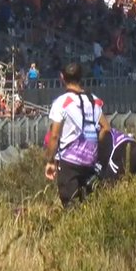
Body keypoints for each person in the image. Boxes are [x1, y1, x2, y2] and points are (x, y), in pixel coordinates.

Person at [42, 63, 109, 207]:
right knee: (90, 205)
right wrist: (95, 145)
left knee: (70, 205)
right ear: (81, 77)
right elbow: (106, 128)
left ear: (62, 77)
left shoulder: (61, 102)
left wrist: (50, 161)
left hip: (69, 161)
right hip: (90, 160)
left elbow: (54, 136)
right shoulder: (93, 100)